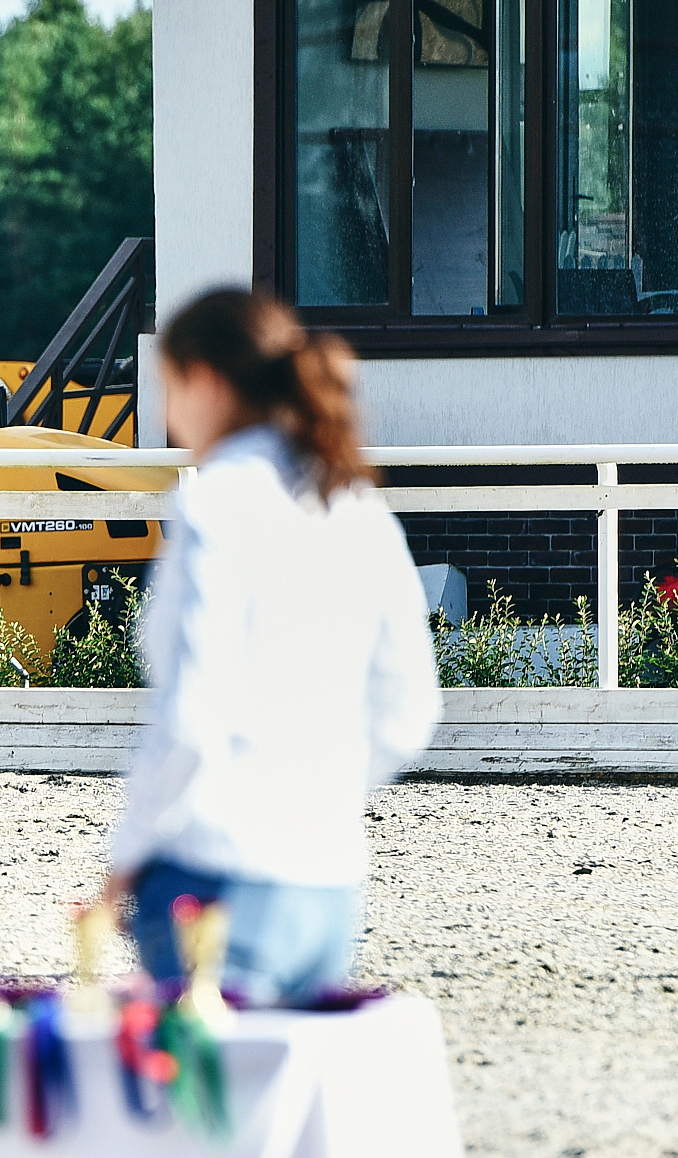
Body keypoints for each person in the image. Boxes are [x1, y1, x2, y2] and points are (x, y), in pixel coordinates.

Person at [103, 287, 441, 1004]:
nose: (168, 416)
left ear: (207, 382)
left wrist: (128, 849)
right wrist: (316, 793)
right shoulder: (356, 504)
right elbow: (410, 709)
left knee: (197, 1111)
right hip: (328, 882)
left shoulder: (216, 500)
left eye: (170, 389)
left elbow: (193, 711)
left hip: (216, 874)